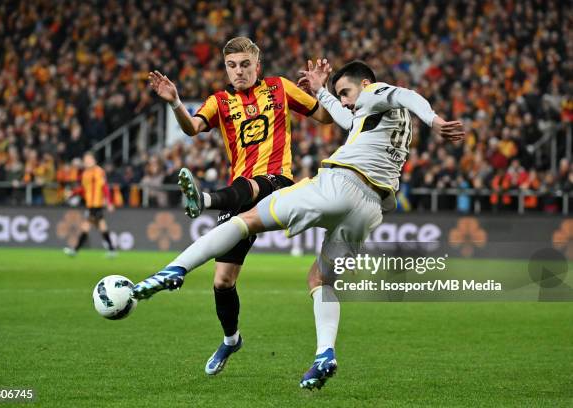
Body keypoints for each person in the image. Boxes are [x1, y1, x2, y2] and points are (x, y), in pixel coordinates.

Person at [135, 59, 464, 389]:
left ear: (365, 85)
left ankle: (175, 269)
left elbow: (406, 95)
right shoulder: (381, 117)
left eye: (346, 91)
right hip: (371, 208)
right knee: (319, 278)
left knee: (247, 220)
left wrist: (435, 121)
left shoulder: (375, 91)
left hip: (340, 184)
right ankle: (325, 353)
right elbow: (347, 119)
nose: (346, 99)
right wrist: (323, 91)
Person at [147, 37, 334, 376]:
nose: (239, 71)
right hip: (239, 194)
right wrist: (174, 101)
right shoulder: (219, 101)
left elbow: (325, 118)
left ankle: (203, 200)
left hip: (278, 182)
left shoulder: (281, 88)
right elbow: (192, 129)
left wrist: (323, 90)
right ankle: (231, 339)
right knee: (222, 281)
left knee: (252, 185)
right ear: (226, 68)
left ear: (257, 65)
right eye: (232, 66)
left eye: (245, 64)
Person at [64, 152, 116, 258]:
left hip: (96, 204)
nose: (87, 161)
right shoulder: (85, 174)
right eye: (85, 159)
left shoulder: (98, 171)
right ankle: (111, 249)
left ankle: (75, 250)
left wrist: (109, 202)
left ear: (94, 160)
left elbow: (104, 187)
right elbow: (83, 189)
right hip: (90, 204)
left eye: (89, 159)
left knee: (86, 226)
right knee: (101, 226)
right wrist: (72, 193)